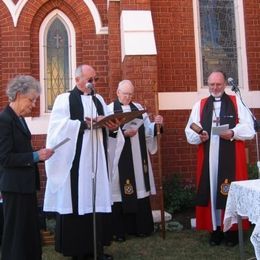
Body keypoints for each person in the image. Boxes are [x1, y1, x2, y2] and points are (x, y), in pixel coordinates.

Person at [44, 65, 118, 260]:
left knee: (96, 198)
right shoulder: (65, 99)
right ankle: (78, 251)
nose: (93, 83)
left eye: (95, 79)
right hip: (75, 161)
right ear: (77, 80)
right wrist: (84, 124)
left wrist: (112, 126)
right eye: (90, 80)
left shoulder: (99, 100)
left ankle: (96, 249)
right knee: (78, 200)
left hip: (97, 159)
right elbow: (57, 128)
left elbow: (109, 128)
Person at [185, 70, 255, 246]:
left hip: (230, 154)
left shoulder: (235, 102)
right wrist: (198, 136)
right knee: (211, 190)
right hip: (209, 157)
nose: (215, 88)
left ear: (224, 84)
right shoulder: (200, 105)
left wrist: (233, 132)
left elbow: (249, 129)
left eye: (218, 84)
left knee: (229, 190)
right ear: (207, 85)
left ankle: (231, 232)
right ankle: (215, 230)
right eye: (211, 85)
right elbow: (190, 130)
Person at [0, 75, 54, 260]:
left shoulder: (20, 119)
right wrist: (35, 155)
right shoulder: (4, 120)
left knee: (29, 234)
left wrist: (39, 156)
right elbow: (5, 158)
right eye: (31, 100)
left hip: (26, 186)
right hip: (14, 187)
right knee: (16, 235)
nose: (33, 105)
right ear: (17, 95)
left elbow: (22, 151)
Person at [108, 79, 163, 242]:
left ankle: (142, 228)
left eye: (131, 94)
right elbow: (105, 135)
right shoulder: (109, 109)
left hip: (138, 158)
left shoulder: (138, 108)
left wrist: (156, 125)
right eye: (125, 94)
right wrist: (122, 135)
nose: (127, 97)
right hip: (118, 160)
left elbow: (147, 131)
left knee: (139, 188)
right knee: (118, 191)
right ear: (117, 92)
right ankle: (119, 231)